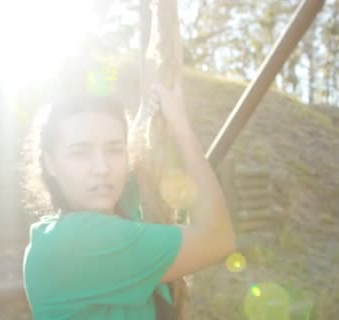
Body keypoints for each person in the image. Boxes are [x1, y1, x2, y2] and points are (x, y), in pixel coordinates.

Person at [22, 83, 236, 320]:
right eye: (80, 153)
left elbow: (138, 160)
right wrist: (181, 127)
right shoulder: (78, 242)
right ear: (51, 163)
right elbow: (218, 238)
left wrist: (148, 110)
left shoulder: (112, 212)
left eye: (114, 150)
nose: (102, 168)